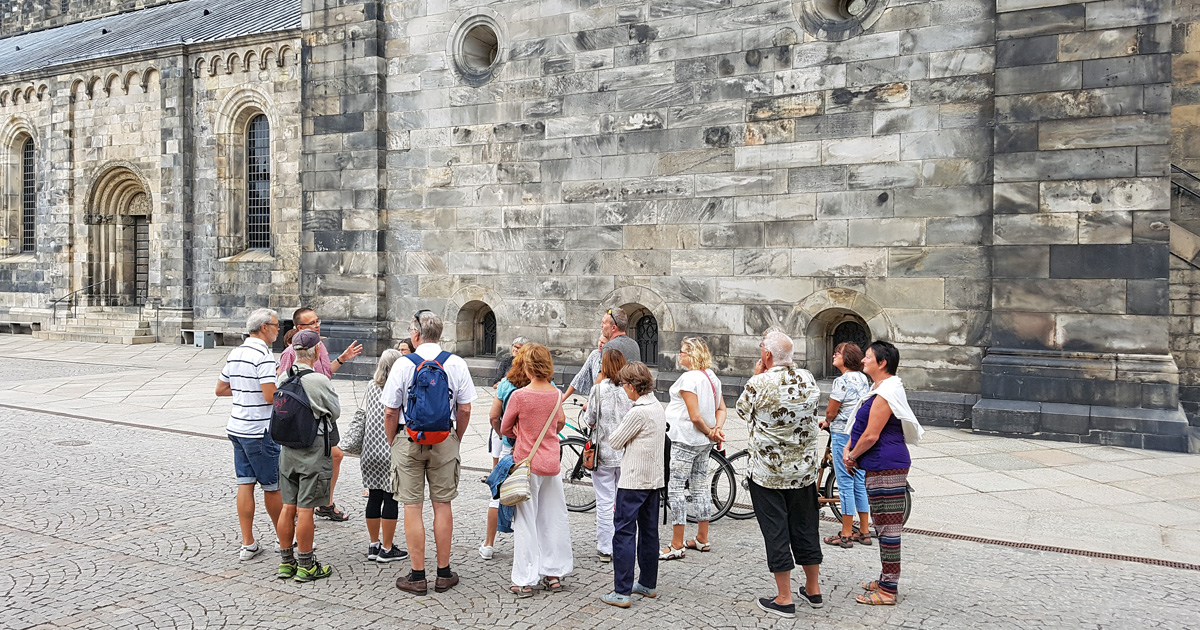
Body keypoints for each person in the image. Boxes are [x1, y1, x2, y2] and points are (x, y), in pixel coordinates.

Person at [383, 309, 476, 595]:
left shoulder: (402, 364)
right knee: (442, 504)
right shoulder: (456, 363)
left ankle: (417, 575)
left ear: (415, 334)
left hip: (408, 438)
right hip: (444, 438)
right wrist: (456, 438)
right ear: (440, 334)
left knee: (412, 506)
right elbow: (466, 407)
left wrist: (393, 441)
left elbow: (390, 411)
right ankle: (444, 574)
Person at [736, 331, 823, 618]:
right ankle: (813, 588)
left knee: (776, 531)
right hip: (803, 472)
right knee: (805, 526)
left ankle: (784, 598)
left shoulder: (758, 382)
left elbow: (742, 410)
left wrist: (757, 374)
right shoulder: (808, 379)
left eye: (762, 348)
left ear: (767, 355)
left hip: (768, 473)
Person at [843, 340, 922, 606]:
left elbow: (871, 435)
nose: (863, 360)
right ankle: (886, 577)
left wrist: (852, 455)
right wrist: (849, 448)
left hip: (886, 463)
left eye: (867, 356)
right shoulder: (880, 388)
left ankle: (888, 589)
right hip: (880, 464)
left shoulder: (886, 392)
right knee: (883, 525)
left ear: (882, 362)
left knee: (888, 529)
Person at [277, 307, 363, 522]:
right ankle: (307, 505)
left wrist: (341, 359)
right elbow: (285, 383)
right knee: (325, 457)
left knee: (336, 455)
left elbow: (324, 373)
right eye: (311, 323)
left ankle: (324, 503)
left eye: (317, 321)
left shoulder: (319, 346)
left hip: (322, 413)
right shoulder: (291, 353)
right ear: (299, 328)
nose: (317, 325)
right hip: (306, 415)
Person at [500, 343, 573, 597]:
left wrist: (521, 433)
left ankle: (524, 578)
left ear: (528, 367)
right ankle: (553, 573)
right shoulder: (555, 393)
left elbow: (505, 428)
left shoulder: (519, 396)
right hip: (551, 464)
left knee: (526, 522)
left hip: (527, 465)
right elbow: (561, 421)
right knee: (552, 518)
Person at [274, 330, 342, 582]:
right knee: (305, 509)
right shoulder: (319, 380)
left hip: (288, 448)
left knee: (287, 506)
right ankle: (306, 565)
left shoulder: (283, 377)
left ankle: (285, 562)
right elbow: (334, 412)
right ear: (315, 352)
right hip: (312, 448)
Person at [216, 308, 282, 562]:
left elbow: (221, 388)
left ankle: (248, 543)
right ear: (264, 327)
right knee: (272, 486)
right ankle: (283, 537)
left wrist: (245, 391)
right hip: (259, 429)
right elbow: (269, 396)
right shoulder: (263, 355)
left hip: (237, 426)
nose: (279, 329)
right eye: (276, 325)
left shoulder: (237, 352)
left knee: (245, 483)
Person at [600, 361, 665, 608]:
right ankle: (648, 583)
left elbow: (615, 441)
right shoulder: (656, 405)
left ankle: (622, 591)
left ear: (631, 386)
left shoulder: (638, 411)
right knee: (649, 532)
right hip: (654, 479)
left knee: (624, 533)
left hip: (634, 479)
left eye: (625, 385)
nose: (624, 389)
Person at [341, 349, 409, 564]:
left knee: (373, 496)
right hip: (391, 449)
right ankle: (387, 548)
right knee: (390, 498)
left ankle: (373, 544)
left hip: (370, 450)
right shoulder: (399, 388)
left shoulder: (371, 386)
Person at [661, 337, 726, 560]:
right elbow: (722, 409)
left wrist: (710, 431)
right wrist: (716, 429)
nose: (680, 355)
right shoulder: (712, 377)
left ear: (692, 355)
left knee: (676, 488)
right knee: (699, 485)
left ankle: (676, 543)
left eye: (682, 352)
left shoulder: (690, 379)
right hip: (703, 442)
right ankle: (702, 537)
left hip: (685, 438)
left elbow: (695, 416)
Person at [481, 344, 531, 559]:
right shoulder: (545, 385)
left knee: (498, 493)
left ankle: (489, 544)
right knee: (530, 497)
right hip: (533, 449)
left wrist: (502, 433)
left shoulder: (506, 385)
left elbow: (494, 417)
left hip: (510, 446)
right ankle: (529, 547)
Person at [822, 342, 872, 548]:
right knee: (859, 481)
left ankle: (845, 532)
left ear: (848, 358)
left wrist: (826, 421)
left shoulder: (841, 381)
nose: (834, 355)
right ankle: (864, 530)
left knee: (844, 483)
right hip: (858, 434)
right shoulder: (863, 378)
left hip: (842, 434)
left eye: (838, 353)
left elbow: (832, 411)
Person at [584, 348, 632, 562]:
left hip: (603, 452)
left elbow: (590, 419)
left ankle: (605, 547)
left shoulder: (598, 389)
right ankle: (623, 544)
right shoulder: (629, 389)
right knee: (623, 500)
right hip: (626, 451)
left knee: (604, 500)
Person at [561, 333, 607, 401]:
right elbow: (580, 377)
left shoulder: (611, 357)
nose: (600, 344)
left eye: (603, 343)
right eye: (599, 341)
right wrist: (563, 398)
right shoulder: (595, 354)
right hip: (594, 398)